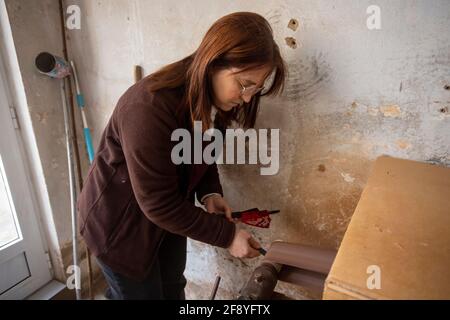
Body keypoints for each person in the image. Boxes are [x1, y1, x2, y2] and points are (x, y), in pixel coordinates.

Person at [77, 11, 286, 300]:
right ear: (214, 63)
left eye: (256, 88)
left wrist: (210, 193)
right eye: (244, 84)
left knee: (173, 288)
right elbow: (157, 203)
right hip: (121, 228)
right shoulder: (148, 107)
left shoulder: (217, 101)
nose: (248, 97)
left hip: (167, 219)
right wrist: (227, 236)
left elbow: (202, 152)